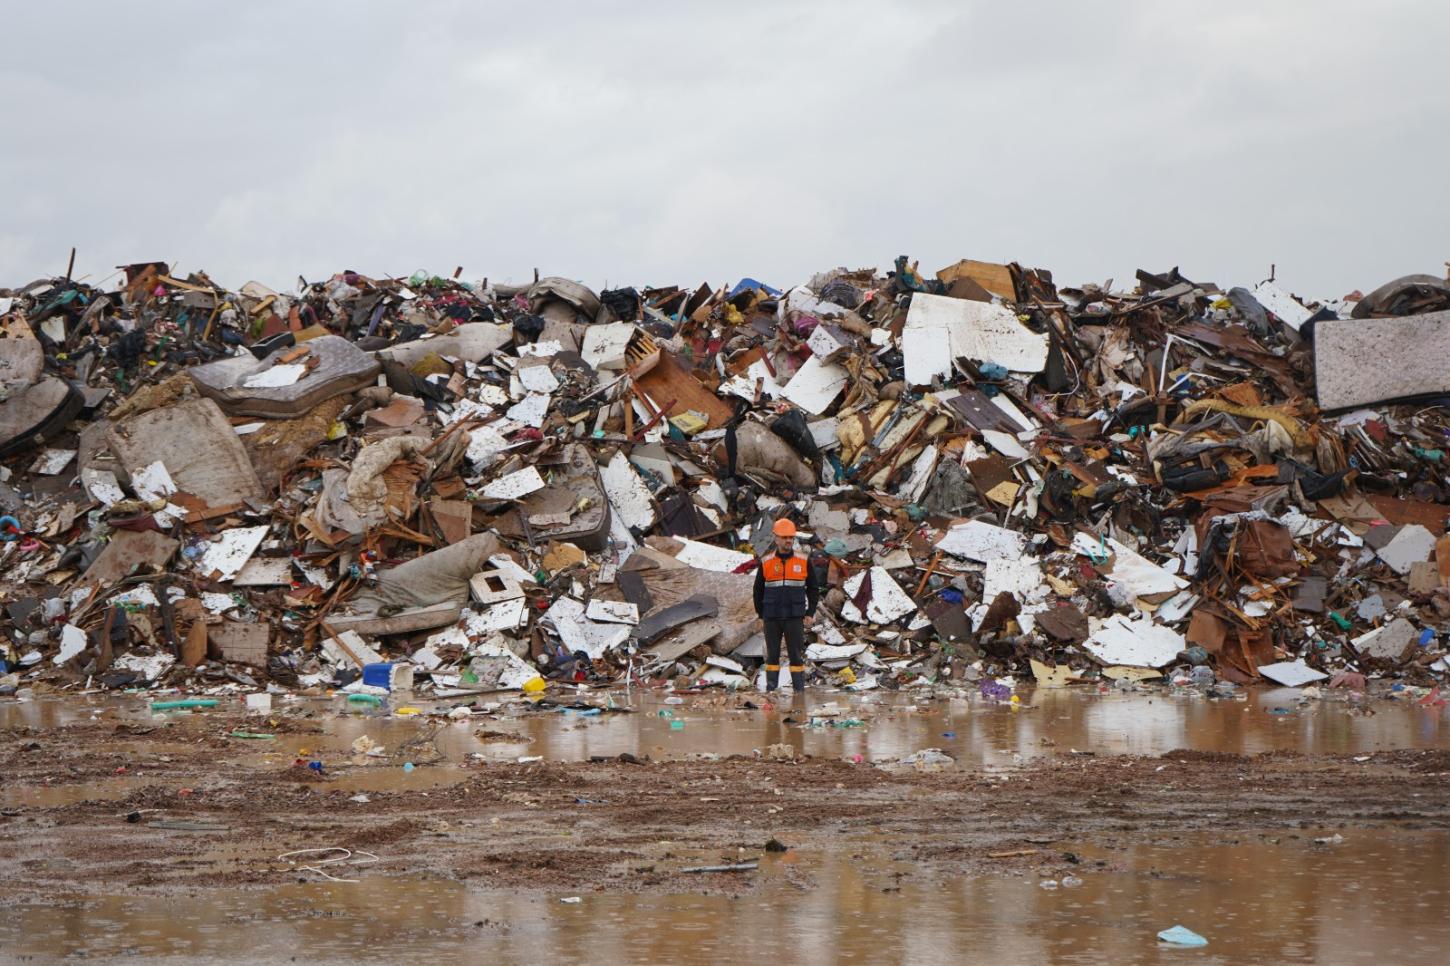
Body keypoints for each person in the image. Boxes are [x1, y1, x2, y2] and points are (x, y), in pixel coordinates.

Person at [752, 518, 819, 693]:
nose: (788, 541)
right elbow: (758, 590)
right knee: (772, 657)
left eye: (791, 537)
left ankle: (799, 693)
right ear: (776, 539)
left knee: (796, 657)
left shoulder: (803, 560)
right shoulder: (766, 562)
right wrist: (761, 615)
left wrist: (810, 612)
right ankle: (771, 692)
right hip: (771, 616)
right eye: (784, 537)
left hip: (794, 616)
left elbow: (813, 588)